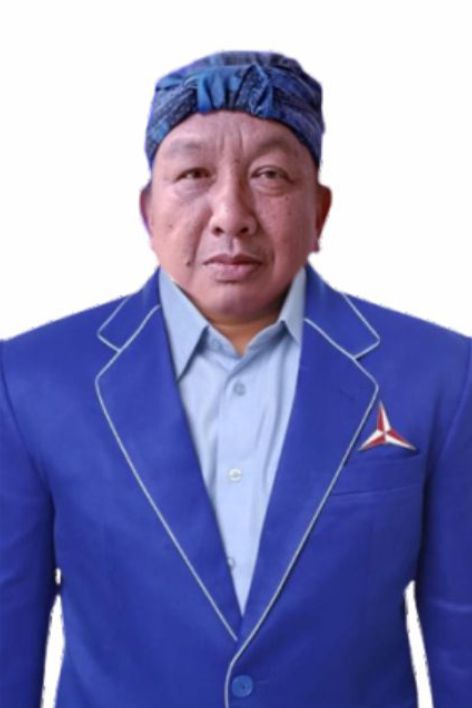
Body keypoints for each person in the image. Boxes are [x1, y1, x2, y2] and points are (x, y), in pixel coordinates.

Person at [0, 51, 470, 708]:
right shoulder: (30, 383)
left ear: (319, 212)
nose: (231, 214)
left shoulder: (440, 377)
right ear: (148, 211)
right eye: (193, 174)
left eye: (269, 175)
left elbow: (462, 630)